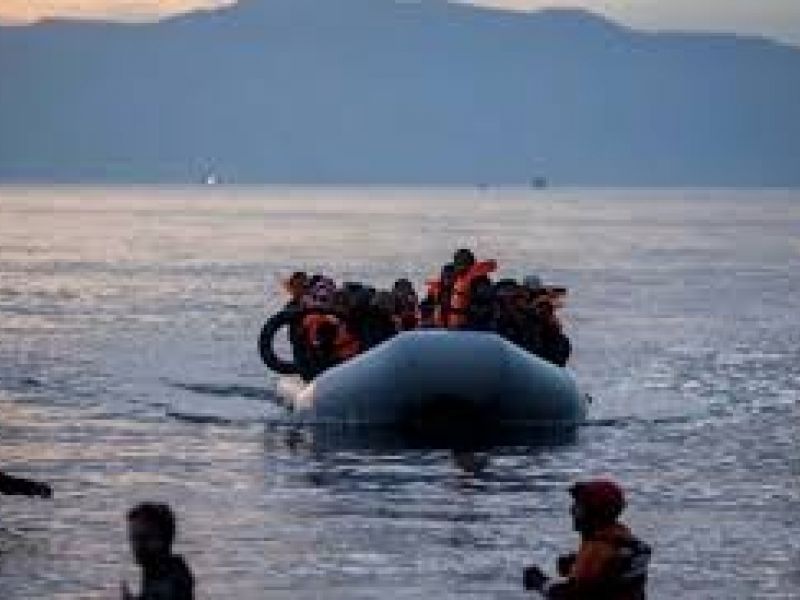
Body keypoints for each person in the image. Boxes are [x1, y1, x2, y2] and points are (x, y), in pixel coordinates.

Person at [524, 480, 651, 599]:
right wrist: (575, 567)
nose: (573, 511)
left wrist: (539, 582)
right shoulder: (626, 541)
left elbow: (571, 596)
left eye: (579, 507)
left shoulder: (598, 549)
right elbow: (610, 582)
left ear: (594, 513)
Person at [123, 502, 194, 600]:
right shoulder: (155, 570)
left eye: (145, 538)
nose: (138, 546)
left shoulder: (172, 581)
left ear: (165, 539)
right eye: (134, 538)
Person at [448, 249, 497, 329]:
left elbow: (485, 304)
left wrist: (469, 312)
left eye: (463, 261)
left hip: (475, 326)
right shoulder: (460, 279)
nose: (459, 264)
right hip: (458, 326)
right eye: (457, 262)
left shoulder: (480, 280)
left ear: (471, 262)